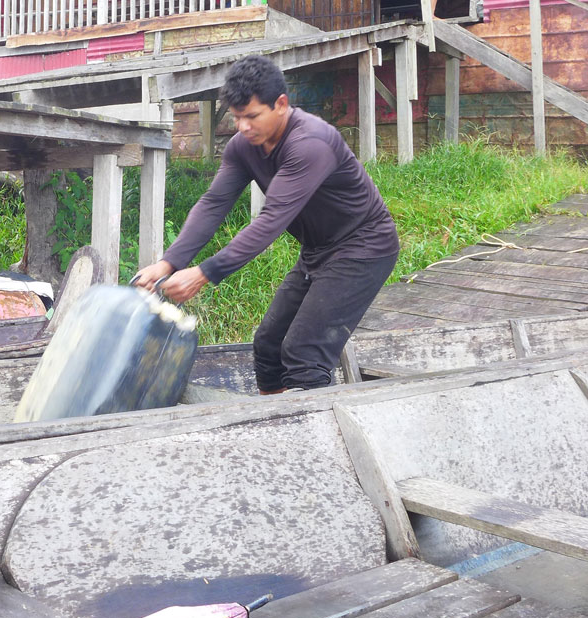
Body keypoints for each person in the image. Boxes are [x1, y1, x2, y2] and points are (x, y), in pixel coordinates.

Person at [133, 56, 400, 393]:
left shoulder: (310, 144)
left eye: (252, 116)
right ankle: (273, 424)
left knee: (304, 353)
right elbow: (214, 204)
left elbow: (271, 220)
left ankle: (313, 434)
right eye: (237, 117)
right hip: (318, 250)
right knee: (268, 346)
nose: (243, 127)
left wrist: (204, 273)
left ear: (281, 105)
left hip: (364, 248)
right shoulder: (243, 147)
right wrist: (168, 263)